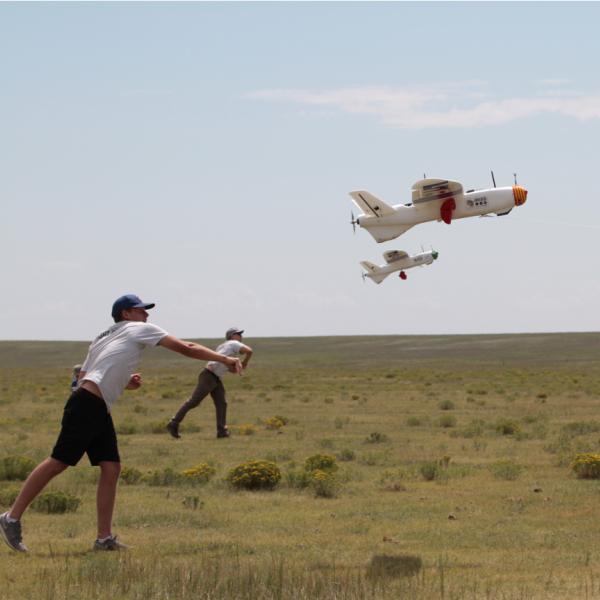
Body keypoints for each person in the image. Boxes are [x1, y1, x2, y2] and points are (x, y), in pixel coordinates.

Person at [0, 294, 241, 553]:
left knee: (111, 466)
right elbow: (188, 347)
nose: (147, 315)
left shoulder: (102, 337)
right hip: (87, 405)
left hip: (93, 404)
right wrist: (225, 360)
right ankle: (10, 518)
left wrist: (126, 381)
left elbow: (82, 376)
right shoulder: (138, 329)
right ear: (126, 314)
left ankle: (104, 539)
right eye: (141, 310)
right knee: (59, 461)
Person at [166, 327, 253, 439]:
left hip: (214, 377)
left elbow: (229, 369)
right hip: (209, 376)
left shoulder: (224, 347)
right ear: (231, 336)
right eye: (238, 334)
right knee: (194, 401)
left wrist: (235, 367)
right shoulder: (233, 343)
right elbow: (249, 351)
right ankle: (173, 423)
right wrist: (245, 362)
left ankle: (222, 432)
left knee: (221, 403)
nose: (240, 336)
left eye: (240, 334)